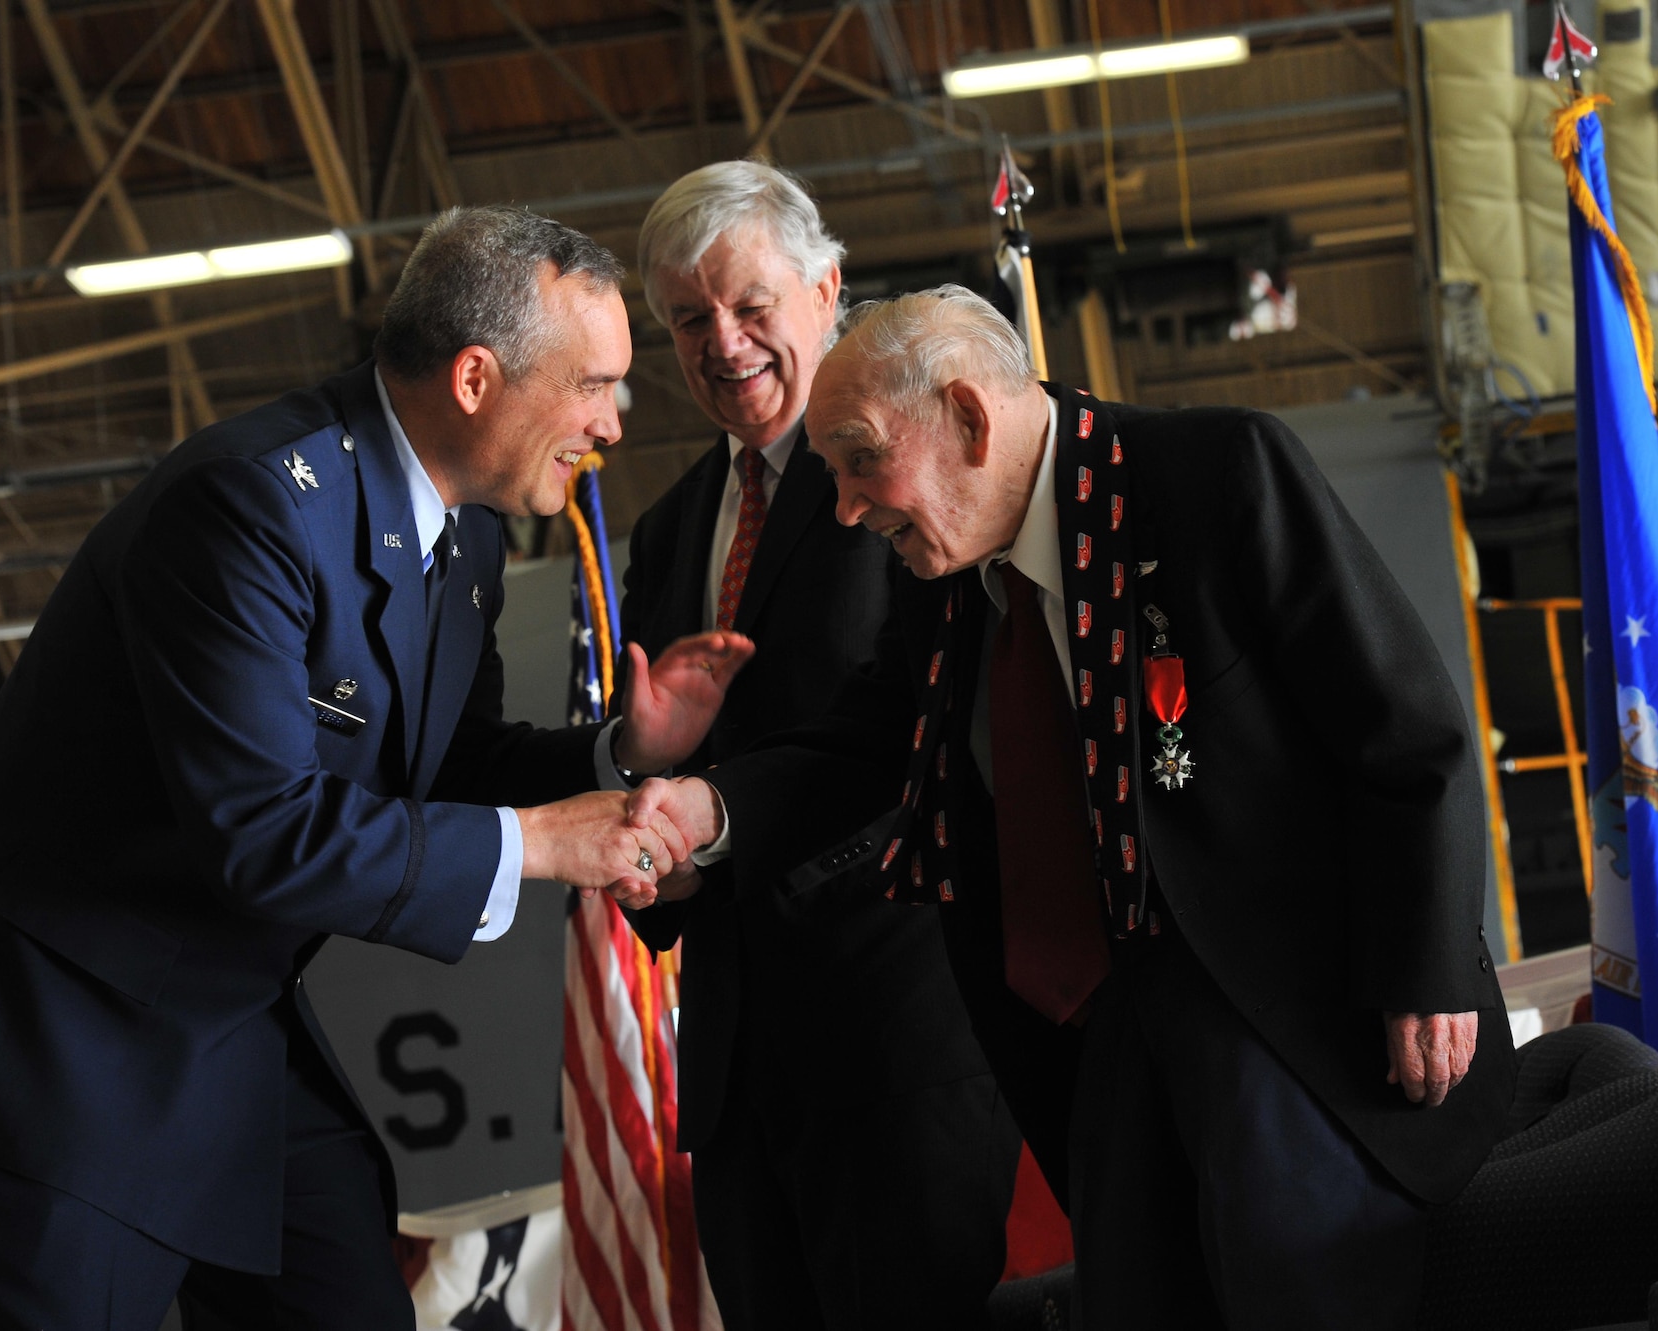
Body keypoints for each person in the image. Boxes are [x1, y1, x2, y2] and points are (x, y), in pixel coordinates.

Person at [0, 206, 742, 1331]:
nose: (609, 423)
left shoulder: (469, 535)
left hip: (215, 1011)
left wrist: (617, 754)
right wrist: (555, 841)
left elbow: (449, 760)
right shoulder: (244, 505)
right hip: (48, 1031)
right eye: (595, 383)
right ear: (474, 379)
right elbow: (264, 832)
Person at [629, 286, 1517, 1329]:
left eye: (860, 458)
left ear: (967, 416)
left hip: (1288, 1023)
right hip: (1098, 1044)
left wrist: (1422, 971)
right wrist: (705, 808)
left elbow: (1404, 730)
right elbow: (862, 745)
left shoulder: (1216, 473)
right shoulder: (938, 574)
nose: (845, 508)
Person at [601, 163, 1015, 1329]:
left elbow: (927, 734)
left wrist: (715, 810)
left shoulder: (912, 470)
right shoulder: (670, 526)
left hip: (900, 1044)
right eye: (687, 319)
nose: (721, 343)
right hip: (738, 1080)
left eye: (747, 305)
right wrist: (642, 771)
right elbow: (661, 787)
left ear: (826, 285)